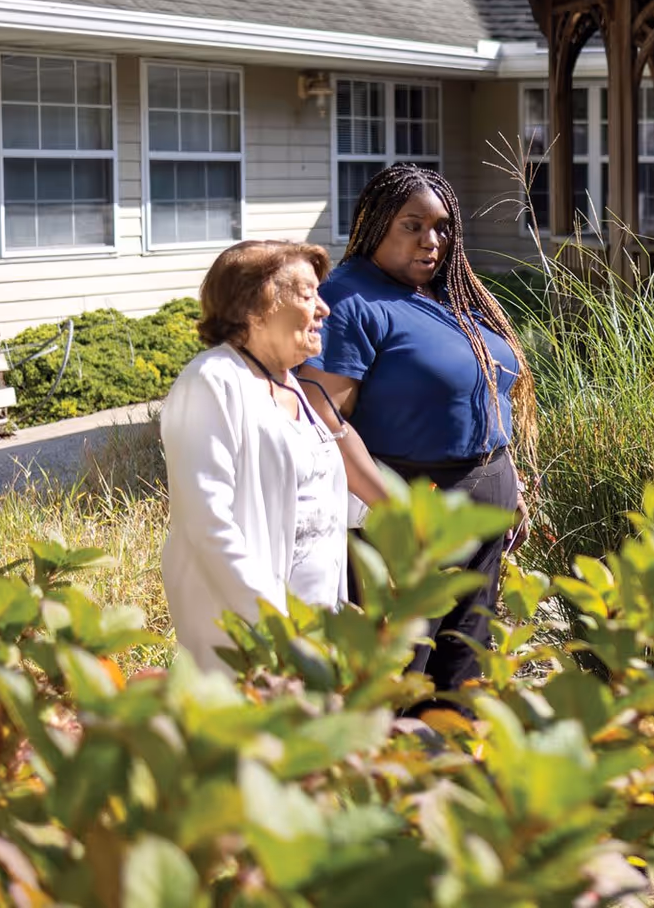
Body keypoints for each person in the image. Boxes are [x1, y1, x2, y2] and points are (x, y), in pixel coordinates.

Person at [302, 163, 537, 695]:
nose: (432, 241)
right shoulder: (350, 300)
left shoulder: (447, 294)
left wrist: (510, 482)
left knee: (462, 670)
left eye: (443, 227)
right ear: (376, 223)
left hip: (482, 505)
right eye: (412, 225)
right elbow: (325, 420)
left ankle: (450, 773)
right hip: (409, 513)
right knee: (399, 675)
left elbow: (485, 392)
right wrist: (394, 513)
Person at [160, 240, 384, 672]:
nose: (324, 309)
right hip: (251, 638)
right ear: (255, 305)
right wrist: (278, 625)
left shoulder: (289, 384)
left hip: (316, 630)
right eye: (307, 295)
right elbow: (208, 523)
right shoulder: (212, 381)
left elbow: (316, 497)